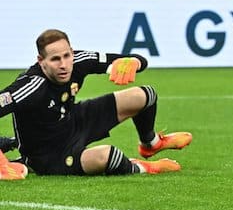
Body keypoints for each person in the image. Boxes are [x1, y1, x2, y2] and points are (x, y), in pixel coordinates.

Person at [0, 28, 192, 179]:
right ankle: (142, 167)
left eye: (67, 56)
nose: (64, 64)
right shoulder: (32, 85)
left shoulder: (79, 60)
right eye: (55, 59)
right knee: (108, 156)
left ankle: (151, 143)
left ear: (71, 52)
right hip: (48, 155)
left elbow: (130, 60)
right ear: (41, 61)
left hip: (74, 121)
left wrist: (134, 61)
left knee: (145, 95)